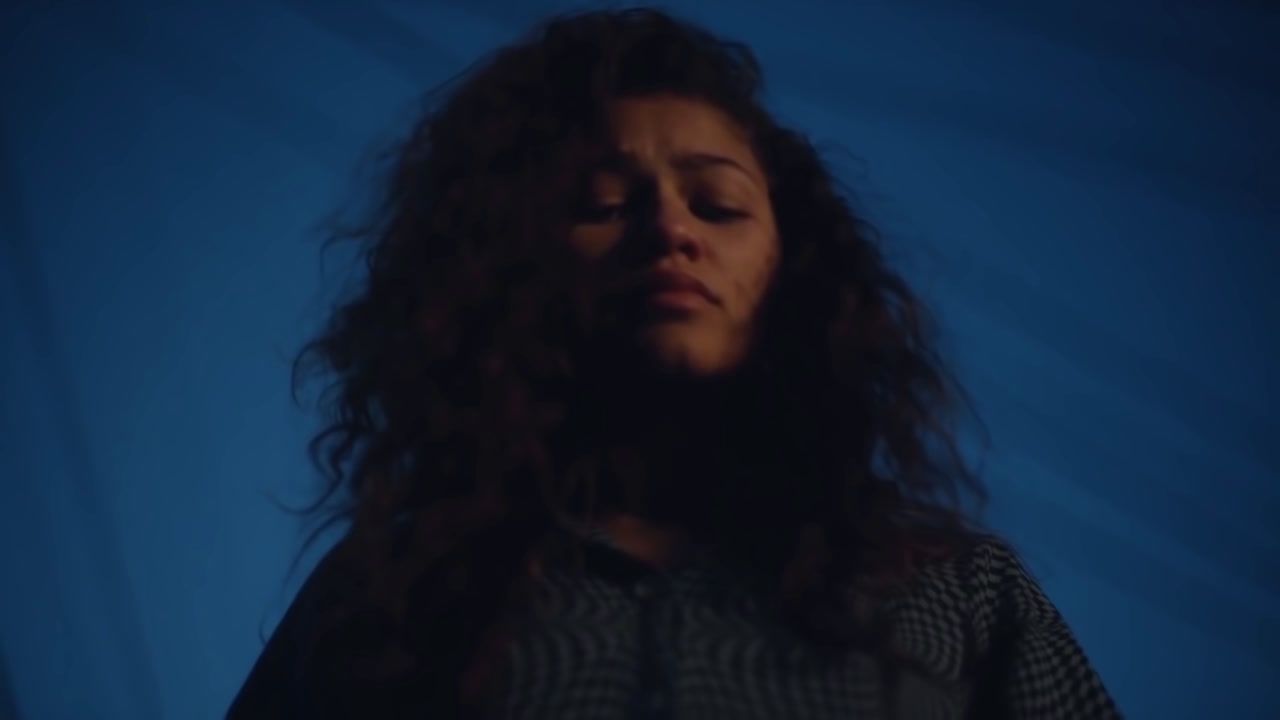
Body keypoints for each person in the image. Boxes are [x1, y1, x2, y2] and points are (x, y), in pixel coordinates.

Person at [228, 7, 1121, 719]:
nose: (670, 232)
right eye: (605, 203)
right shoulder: (392, 597)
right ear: (513, 267)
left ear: (795, 268)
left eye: (719, 204)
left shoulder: (950, 589)